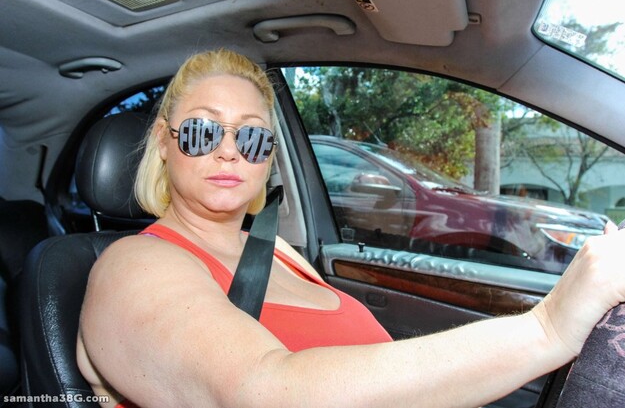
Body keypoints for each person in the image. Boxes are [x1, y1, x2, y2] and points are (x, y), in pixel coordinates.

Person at [77, 48, 625, 408]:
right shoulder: (132, 267)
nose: (229, 151)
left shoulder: (279, 252)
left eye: (252, 137)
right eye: (202, 131)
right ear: (163, 142)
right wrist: (546, 329)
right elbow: (260, 394)